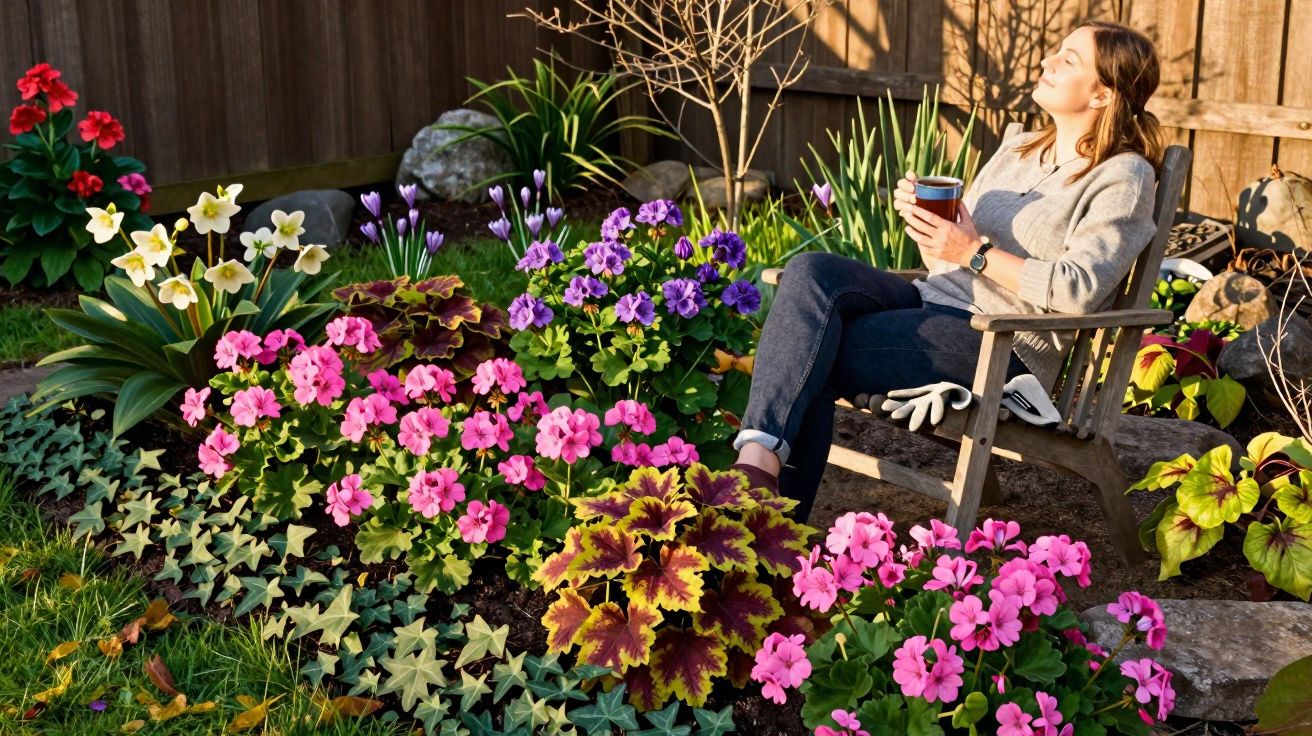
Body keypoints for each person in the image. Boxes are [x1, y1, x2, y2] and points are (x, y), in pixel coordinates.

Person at [729, 20, 1165, 521]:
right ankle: (758, 462)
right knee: (810, 271)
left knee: (814, 352)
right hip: (933, 303)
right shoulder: (1019, 148)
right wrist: (930, 231)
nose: (1047, 62)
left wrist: (973, 253)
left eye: (1068, 60)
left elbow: (1079, 289)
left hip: (1002, 345)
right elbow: (949, 259)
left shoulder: (1123, 176)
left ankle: (765, 521)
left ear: (1103, 94)